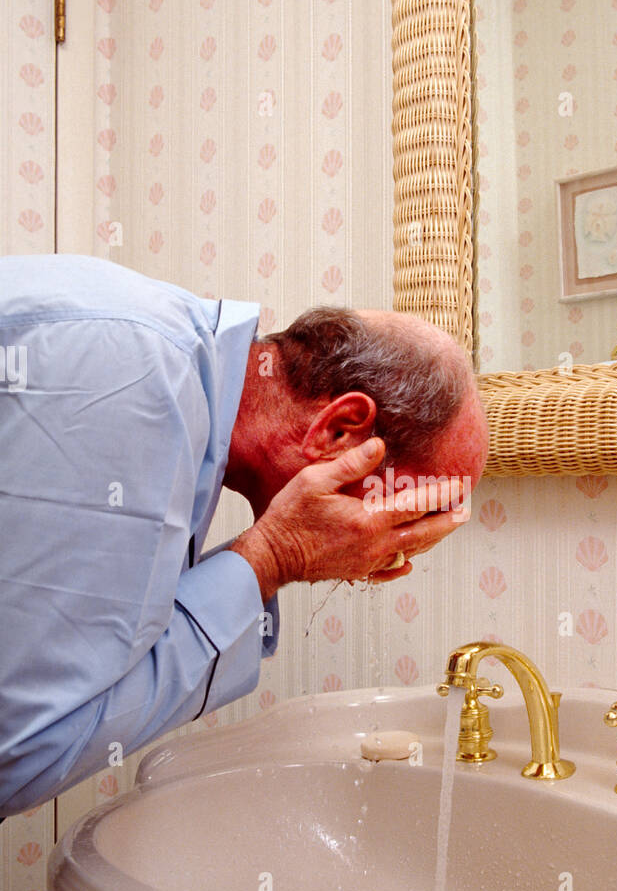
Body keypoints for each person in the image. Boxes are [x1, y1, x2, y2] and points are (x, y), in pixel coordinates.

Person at [0, 255, 489, 818]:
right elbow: (21, 754)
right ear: (338, 430)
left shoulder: (163, 367)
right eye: (402, 517)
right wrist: (274, 556)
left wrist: (270, 559)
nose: (389, 552)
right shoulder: (141, 383)